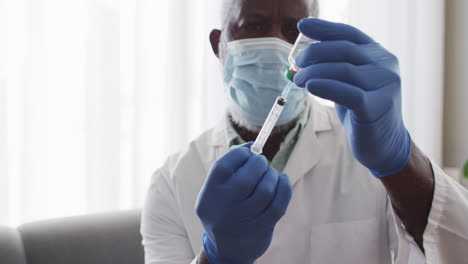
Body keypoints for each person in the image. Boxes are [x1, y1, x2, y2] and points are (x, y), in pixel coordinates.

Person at [141, 0, 468, 263]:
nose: (276, 43)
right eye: (254, 25)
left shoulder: (367, 142)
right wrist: (216, 260)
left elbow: (455, 246)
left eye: (292, 32)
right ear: (219, 44)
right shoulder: (171, 182)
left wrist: (400, 160)